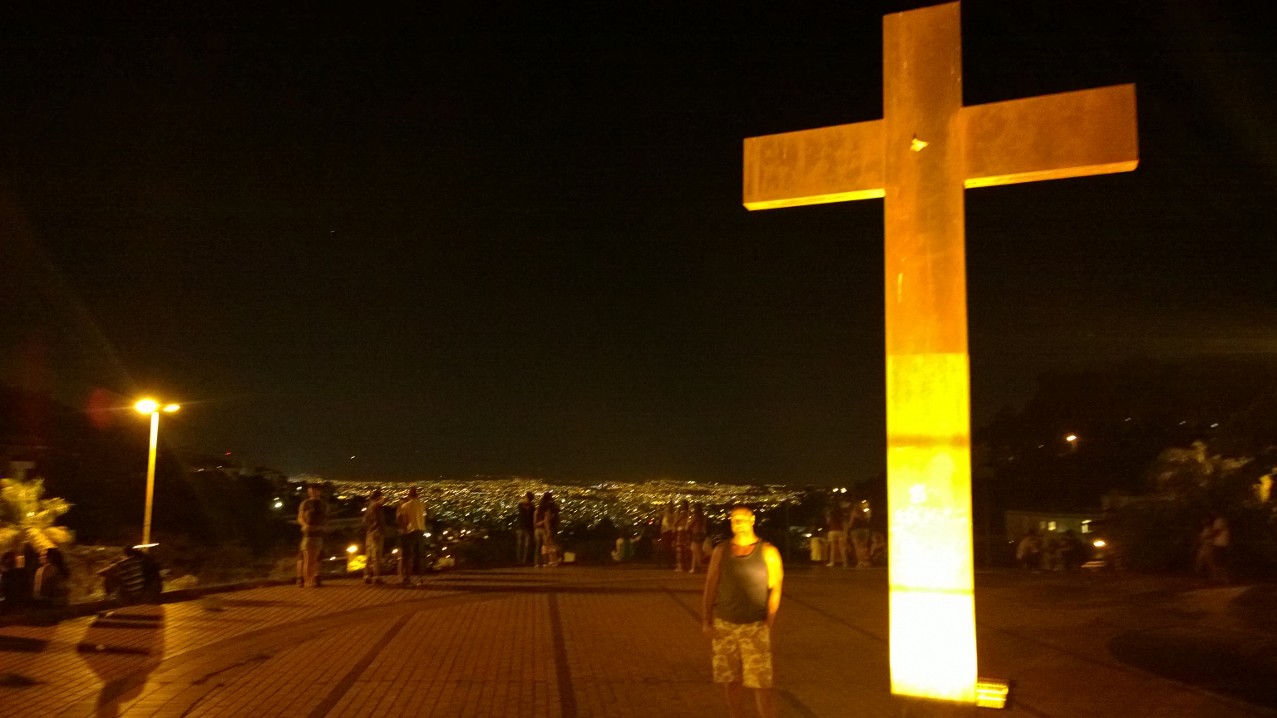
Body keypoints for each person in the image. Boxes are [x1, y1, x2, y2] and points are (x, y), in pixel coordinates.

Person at [701, 505, 783, 718]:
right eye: (734, 520)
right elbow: (711, 584)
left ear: (752, 520)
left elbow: (776, 589)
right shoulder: (721, 551)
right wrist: (706, 620)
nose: (738, 524)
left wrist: (768, 623)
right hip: (724, 626)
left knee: (761, 685)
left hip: (754, 626)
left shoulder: (768, 551)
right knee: (730, 681)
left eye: (743, 519)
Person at [297, 483, 328, 588]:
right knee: (308, 558)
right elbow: (300, 517)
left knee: (316, 559)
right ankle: (307, 580)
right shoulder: (305, 503)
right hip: (308, 534)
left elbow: (325, 518)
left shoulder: (323, 504)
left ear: (319, 492)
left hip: (319, 534)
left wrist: (323, 527)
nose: (313, 493)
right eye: (310, 492)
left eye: (314, 491)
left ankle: (313, 578)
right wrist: (305, 525)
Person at [396, 487, 427, 586]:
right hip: (420, 531)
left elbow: (404, 520)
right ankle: (420, 579)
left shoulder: (405, 506)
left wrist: (404, 530)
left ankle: (407, 578)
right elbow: (425, 515)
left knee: (408, 556)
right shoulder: (422, 504)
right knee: (420, 556)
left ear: (409, 495)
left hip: (411, 532)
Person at [363, 490, 387, 584]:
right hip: (377, 533)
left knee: (369, 556)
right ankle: (377, 577)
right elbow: (381, 502)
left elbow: (364, 520)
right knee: (376, 556)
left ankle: (366, 576)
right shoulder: (376, 506)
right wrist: (383, 500)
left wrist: (370, 528)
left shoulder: (369, 507)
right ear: (378, 497)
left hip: (369, 533)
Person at [535, 492, 560, 567]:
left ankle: (541, 562)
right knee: (550, 545)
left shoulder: (539, 508)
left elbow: (535, 520)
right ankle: (552, 561)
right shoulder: (550, 508)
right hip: (547, 528)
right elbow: (547, 520)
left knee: (542, 546)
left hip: (538, 529)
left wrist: (538, 524)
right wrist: (548, 529)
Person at [824, 502, 848, 568]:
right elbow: (844, 523)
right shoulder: (841, 514)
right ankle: (845, 563)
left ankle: (832, 562)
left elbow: (827, 522)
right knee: (842, 548)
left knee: (833, 548)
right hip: (840, 531)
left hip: (832, 531)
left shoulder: (831, 513)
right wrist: (845, 532)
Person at [515, 491, 536, 566]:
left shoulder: (523, 505)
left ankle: (522, 560)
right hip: (526, 528)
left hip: (523, 527)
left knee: (522, 545)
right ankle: (522, 560)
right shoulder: (532, 507)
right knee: (524, 545)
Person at [688, 502, 708, 573]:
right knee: (697, 551)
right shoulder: (702, 516)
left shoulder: (695, 516)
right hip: (700, 534)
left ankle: (699, 566)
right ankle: (694, 567)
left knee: (695, 551)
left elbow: (690, 524)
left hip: (695, 534)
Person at [673, 500, 691, 572]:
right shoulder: (687, 513)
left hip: (681, 530)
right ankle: (684, 566)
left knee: (680, 549)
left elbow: (676, 521)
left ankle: (680, 566)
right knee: (683, 549)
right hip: (684, 531)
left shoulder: (683, 513)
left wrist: (677, 512)